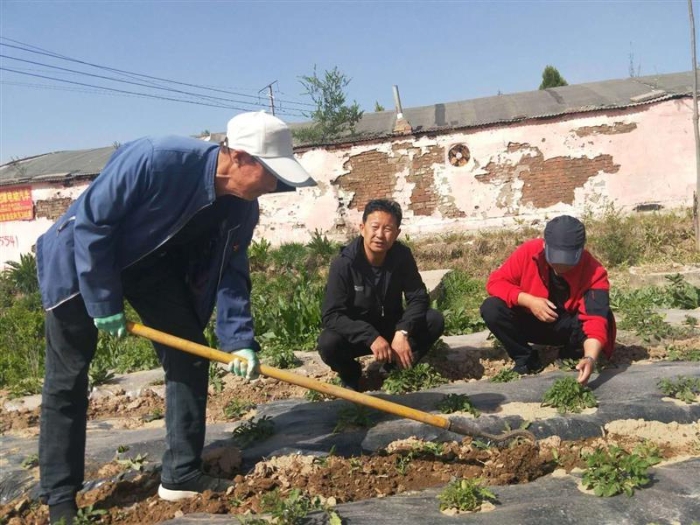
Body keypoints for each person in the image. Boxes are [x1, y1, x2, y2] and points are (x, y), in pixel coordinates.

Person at [35, 111, 315, 524]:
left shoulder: (242, 207)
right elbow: (94, 225)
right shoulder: (155, 159)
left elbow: (231, 273)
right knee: (67, 377)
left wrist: (238, 339)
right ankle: (59, 496)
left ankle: (181, 473)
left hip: (149, 268)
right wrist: (101, 300)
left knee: (190, 355)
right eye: (271, 173)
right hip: (80, 262)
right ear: (238, 157)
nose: (275, 186)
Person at [317, 199, 444, 391]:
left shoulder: (401, 256)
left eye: (388, 229)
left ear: (397, 233)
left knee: (434, 319)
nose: (380, 235)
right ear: (362, 228)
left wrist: (402, 332)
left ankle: (394, 367)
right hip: (358, 335)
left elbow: (418, 297)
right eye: (375, 227)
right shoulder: (343, 264)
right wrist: (370, 336)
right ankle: (351, 374)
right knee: (328, 342)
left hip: (391, 329)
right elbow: (332, 315)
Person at [480, 215, 615, 386]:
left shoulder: (594, 272)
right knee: (492, 307)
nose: (561, 266)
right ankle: (526, 358)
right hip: (531, 321)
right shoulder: (529, 252)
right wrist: (529, 301)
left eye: (568, 261)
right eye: (555, 258)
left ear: (580, 251)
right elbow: (495, 282)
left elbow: (595, 319)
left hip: (567, 329)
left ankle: (569, 355)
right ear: (545, 245)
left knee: (606, 318)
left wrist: (590, 358)